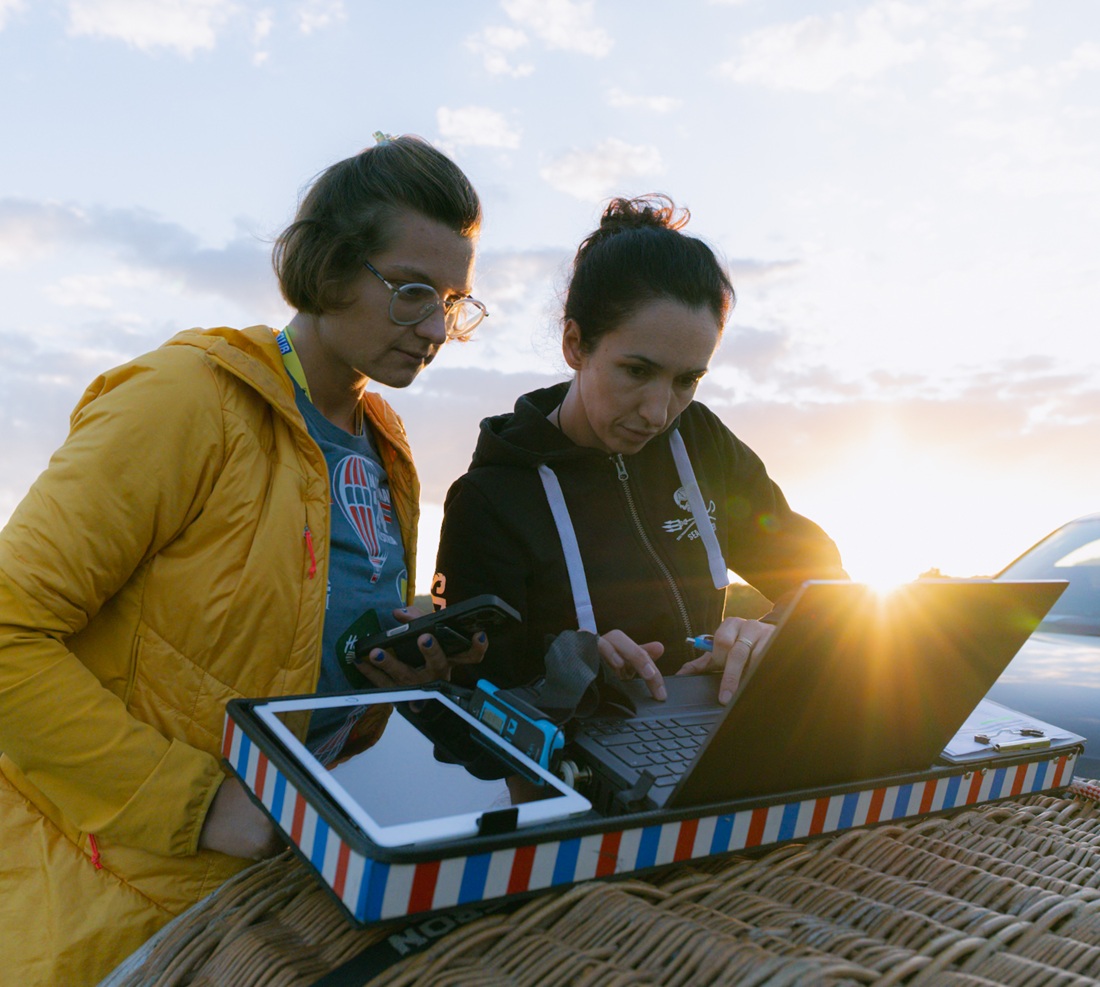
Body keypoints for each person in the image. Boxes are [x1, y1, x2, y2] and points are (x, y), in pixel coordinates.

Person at [0, 133, 489, 986]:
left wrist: (390, 663)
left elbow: (295, 648)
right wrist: (197, 802)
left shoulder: (383, 446)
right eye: (412, 291)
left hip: (263, 902)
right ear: (329, 267)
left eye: (453, 300)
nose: (436, 328)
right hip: (112, 904)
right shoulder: (185, 399)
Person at [434, 194, 847, 710]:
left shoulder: (703, 444)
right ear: (575, 344)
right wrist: (568, 673)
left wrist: (770, 634)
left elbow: (822, 577)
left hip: (702, 756)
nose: (658, 411)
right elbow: (465, 715)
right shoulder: (490, 499)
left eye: (687, 379)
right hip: (570, 781)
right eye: (637, 371)